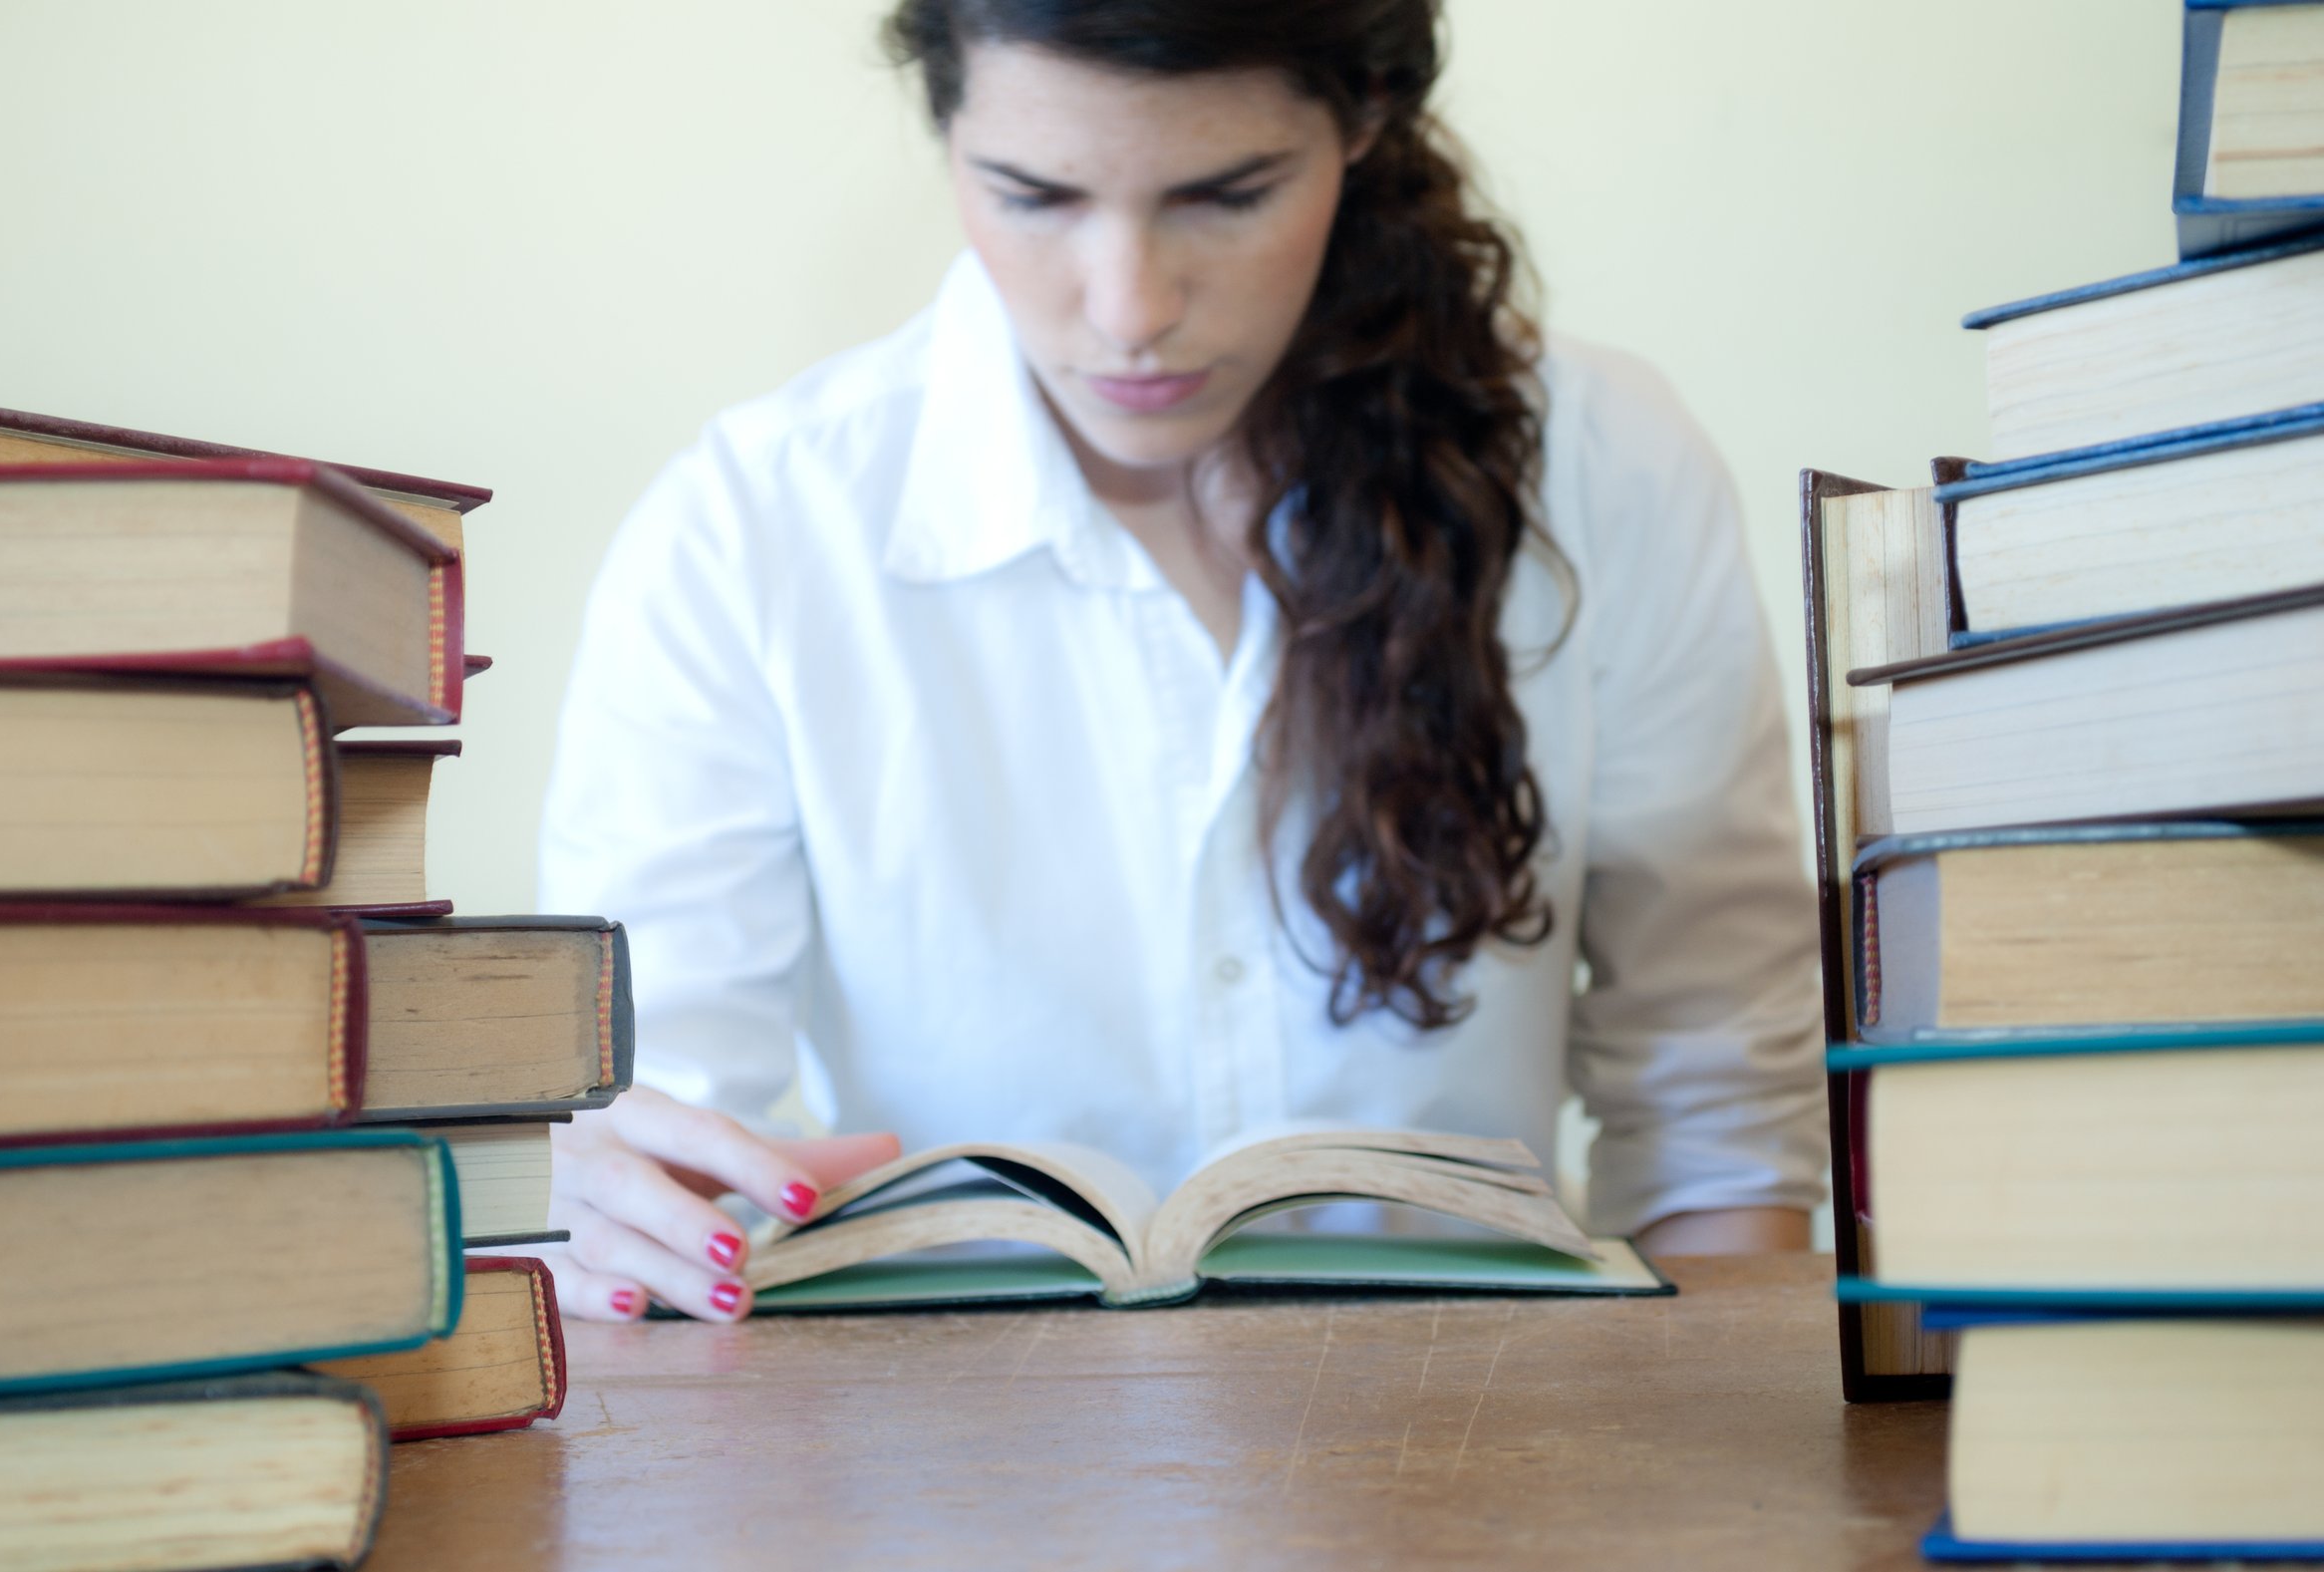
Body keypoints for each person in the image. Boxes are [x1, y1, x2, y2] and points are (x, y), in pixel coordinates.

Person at [536, 0, 1825, 1324]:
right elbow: (648, 1110)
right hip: (952, 1477)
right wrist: (602, 1189)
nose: (1130, 309)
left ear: (1366, 119)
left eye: (1227, 194)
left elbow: (1718, 1101)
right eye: (1033, 196)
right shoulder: (752, 528)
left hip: (1474, 1461)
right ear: (946, 131)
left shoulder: (1606, 472)